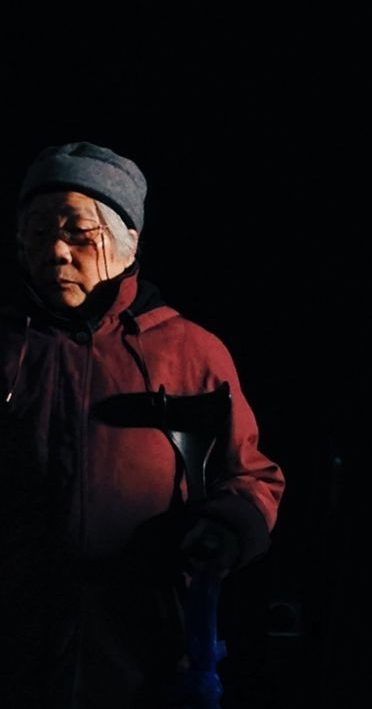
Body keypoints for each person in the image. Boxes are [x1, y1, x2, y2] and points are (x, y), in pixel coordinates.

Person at [0, 142, 285, 707]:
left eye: (79, 233)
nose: (55, 251)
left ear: (128, 242)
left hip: (143, 640)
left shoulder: (188, 350)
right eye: (36, 233)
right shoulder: (8, 344)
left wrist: (226, 528)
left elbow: (252, 476)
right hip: (15, 634)